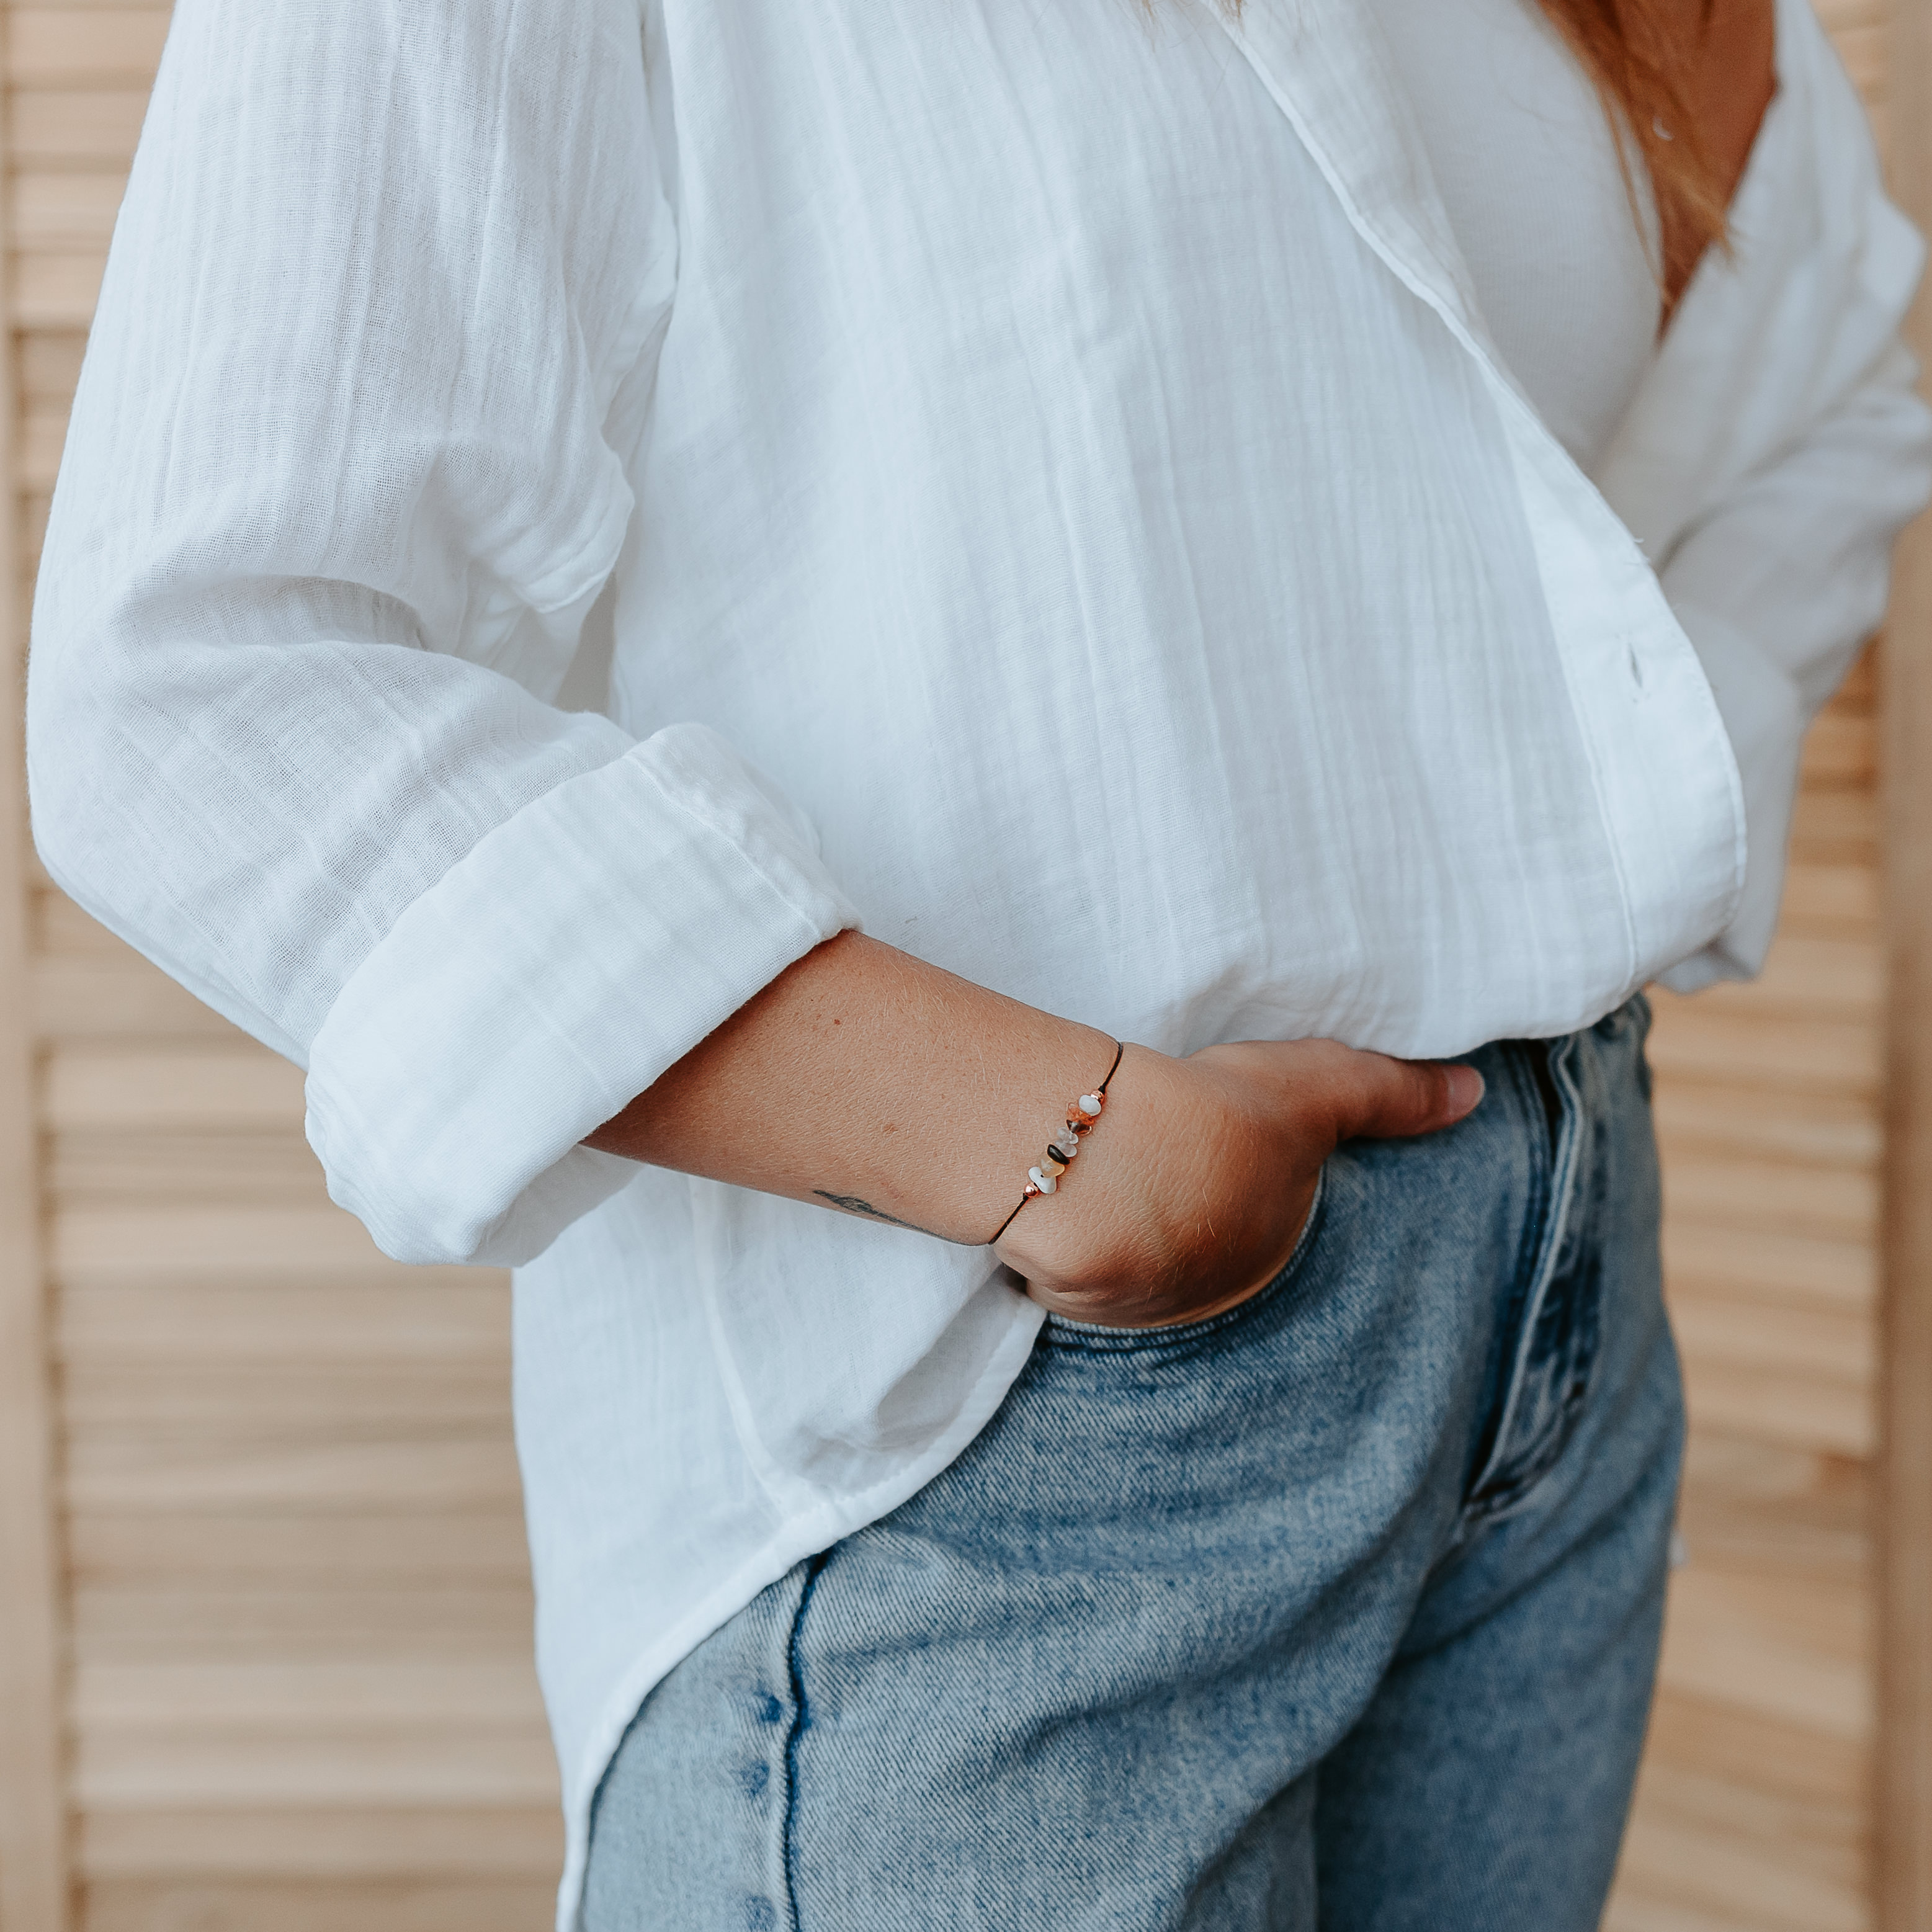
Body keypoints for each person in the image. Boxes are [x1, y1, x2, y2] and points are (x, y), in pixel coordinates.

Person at [26, 0, 1931, 1924]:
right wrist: (1075, 1145)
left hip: (1549, 1305)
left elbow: (1811, 388)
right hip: (1002, 1397)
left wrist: (1583, 841)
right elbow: (203, 667)